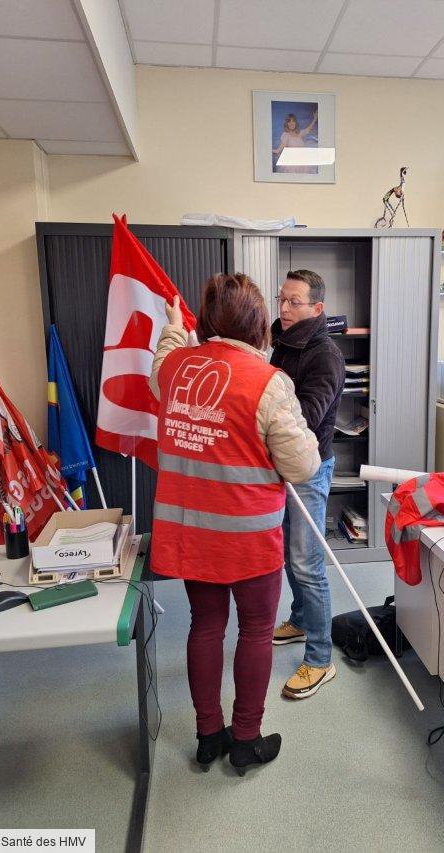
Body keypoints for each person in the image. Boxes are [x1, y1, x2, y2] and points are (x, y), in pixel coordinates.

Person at [149, 273, 320, 775]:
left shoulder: (174, 370)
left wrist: (174, 325)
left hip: (191, 537)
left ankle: (208, 736)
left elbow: (165, 353)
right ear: (256, 324)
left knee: (205, 628)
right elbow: (303, 466)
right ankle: (245, 740)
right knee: (256, 632)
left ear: (205, 321)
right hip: (248, 541)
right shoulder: (269, 383)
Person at [270, 269, 345, 699]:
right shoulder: (281, 344)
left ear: (317, 308)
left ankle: (320, 659)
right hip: (281, 465)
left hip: (311, 468)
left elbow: (310, 417)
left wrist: (268, 420)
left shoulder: (325, 355)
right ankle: (300, 619)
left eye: (293, 301)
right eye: (281, 299)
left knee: (306, 562)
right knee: (287, 553)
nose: (283, 308)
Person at [272, 109, 317, 173]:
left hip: (303, 164)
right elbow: (278, 150)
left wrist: (315, 119)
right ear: (287, 124)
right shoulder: (286, 135)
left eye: (293, 121)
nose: (291, 123)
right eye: (289, 121)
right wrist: (267, 149)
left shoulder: (299, 134)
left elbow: (308, 129)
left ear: (296, 123)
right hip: (292, 166)